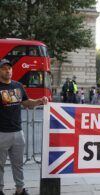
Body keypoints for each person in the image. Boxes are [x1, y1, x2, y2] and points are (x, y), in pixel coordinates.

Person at [0, 59, 48, 195]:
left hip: (18, 133)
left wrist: (39, 101)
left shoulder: (18, 86)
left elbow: (26, 103)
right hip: (1, 133)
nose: (7, 70)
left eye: (9, 68)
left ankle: (20, 190)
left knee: (18, 165)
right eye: (3, 68)